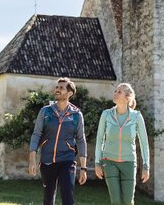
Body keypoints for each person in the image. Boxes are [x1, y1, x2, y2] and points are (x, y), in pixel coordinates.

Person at [28, 77, 88, 205]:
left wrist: (83, 168)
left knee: (68, 196)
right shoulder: (46, 111)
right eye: (57, 87)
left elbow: (81, 140)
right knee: (48, 199)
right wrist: (32, 161)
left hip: (67, 159)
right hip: (47, 160)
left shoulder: (76, 115)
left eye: (61, 88)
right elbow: (36, 135)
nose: (57, 90)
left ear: (69, 93)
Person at [95, 83, 150, 205]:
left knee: (128, 201)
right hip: (109, 162)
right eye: (115, 91)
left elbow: (144, 142)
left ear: (127, 97)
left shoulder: (136, 116)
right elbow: (99, 139)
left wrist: (146, 166)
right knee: (115, 201)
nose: (115, 93)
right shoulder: (106, 114)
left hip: (129, 162)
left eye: (119, 92)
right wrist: (97, 163)